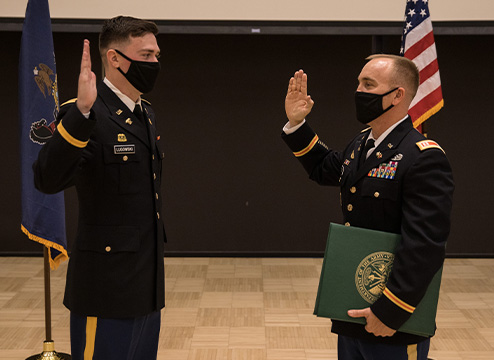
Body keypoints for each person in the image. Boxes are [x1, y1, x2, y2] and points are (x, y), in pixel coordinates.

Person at [282, 54, 454, 360]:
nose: (359, 91)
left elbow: (424, 247)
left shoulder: (423, 157)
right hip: (354, 312)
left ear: (398, 95)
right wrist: (297, 124)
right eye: (359, 82)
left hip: (394, 321)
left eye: (368, 84)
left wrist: (390, 311)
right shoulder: (362, 143)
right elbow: (325, 167)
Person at [34, 16, 166, 360]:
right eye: (146, 55)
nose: (154, 63)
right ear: (115, 59)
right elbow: (46, 179)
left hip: (145, 286)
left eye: (156, 55)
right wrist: (80, 111)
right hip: (106, 289)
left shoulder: (145, 114)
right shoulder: (87, 114)